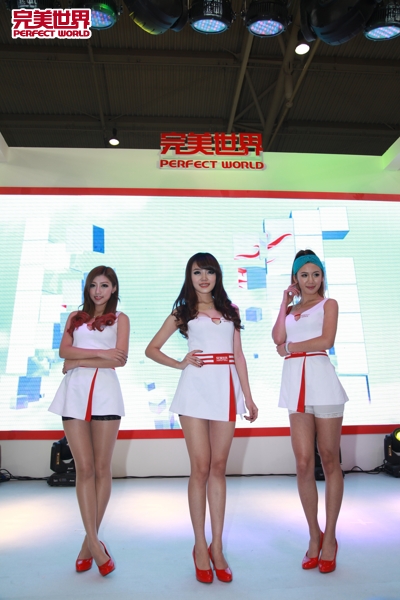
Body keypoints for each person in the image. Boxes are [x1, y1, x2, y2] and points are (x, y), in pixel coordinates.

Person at [145, 252, 258, 584]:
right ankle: (199, 546)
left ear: (217, 275)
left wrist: (248, 396)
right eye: (197, 272)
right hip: (194, 390)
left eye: (209, 271)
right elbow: (152, 348)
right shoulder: (183, 312)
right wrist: (180, 363)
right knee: (201, 468)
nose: (204, 277)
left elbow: (238, 356)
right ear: (189, 277)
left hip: (225, 389)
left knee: (219, 467)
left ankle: (217, 546)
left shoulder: (230, 311)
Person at [49, 266, 129, 577]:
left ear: (113, 288)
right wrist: (98, 355)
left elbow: (119, 358)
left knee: (101, 468)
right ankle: (95, 544)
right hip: (74, 393)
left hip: (106, 393)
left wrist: (78, 360)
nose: (98, 291)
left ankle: (87, 545)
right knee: (84, 469)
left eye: (104, 285)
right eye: (93, 285)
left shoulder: (121, 319)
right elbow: (63, 351)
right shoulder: (74, 317)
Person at [272, 249, 348, 574]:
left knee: (329, 459)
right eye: (304, 275)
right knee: (303, 462)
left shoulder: (329, 304)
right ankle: (314, 535)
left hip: (322, 383)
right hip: (295, 384)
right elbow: (276, 337)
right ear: (295, 279)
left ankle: (330, 537)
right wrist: (283, 302)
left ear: (322, 276)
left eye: (316, 274)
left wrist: (290, 347)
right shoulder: (290, 310)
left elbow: (326, 340)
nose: (311, 280)